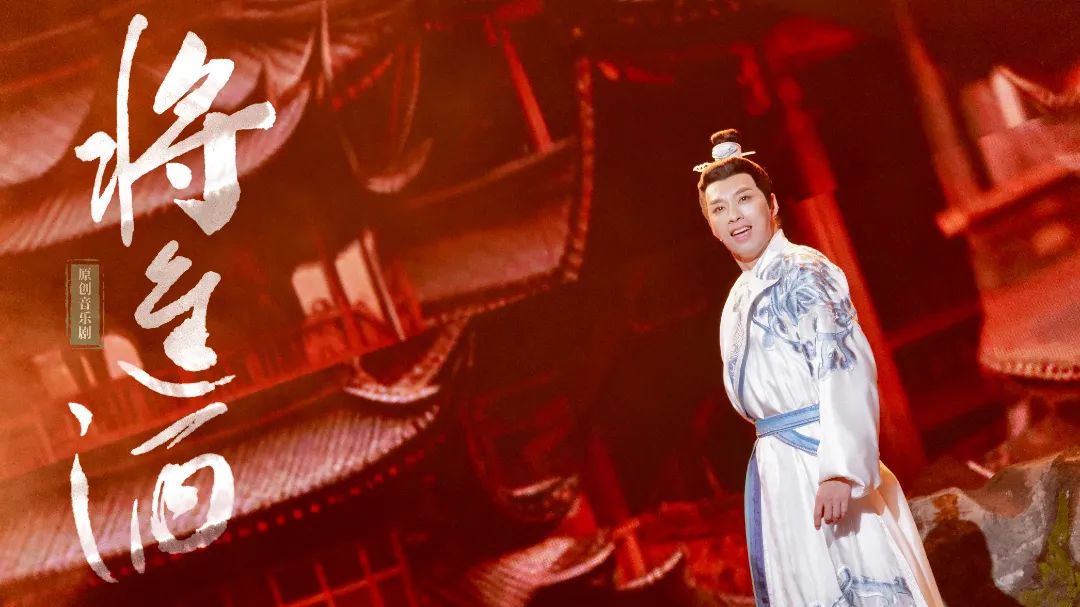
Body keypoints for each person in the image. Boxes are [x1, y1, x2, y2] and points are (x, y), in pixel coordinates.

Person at [696, 129, 944, 606]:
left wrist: (840, 472)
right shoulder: (739, 296)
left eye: (744, 199)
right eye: (719, 208)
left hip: (820, 456)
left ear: (771, 204)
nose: (734, 216)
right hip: (781, 469)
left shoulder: (805, 270)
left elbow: (844, 368)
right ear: (711, 225)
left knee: (866, 582)